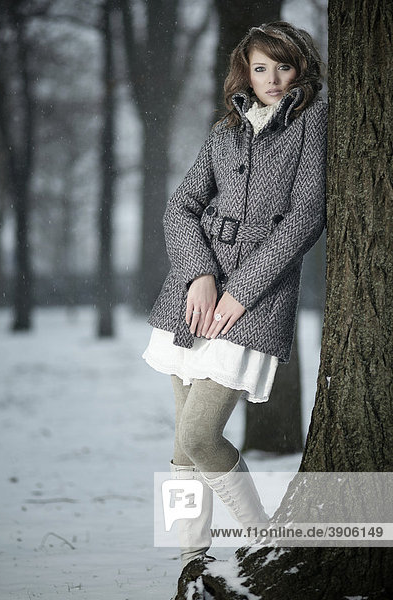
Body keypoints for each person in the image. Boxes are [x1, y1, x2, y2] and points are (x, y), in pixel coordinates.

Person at [141, 20, 327, 586]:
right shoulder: (225, 129)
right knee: (182, 449)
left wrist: (241, 290)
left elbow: (305, 217)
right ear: (244, 71)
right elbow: (181, 207)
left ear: (302, 68)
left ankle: (263, 538)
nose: (272, 79)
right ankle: (190, 561)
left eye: (284, 66)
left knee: (198, 439)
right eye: (260, 67)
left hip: (252, 305)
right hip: (190, 300)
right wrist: (197, 274)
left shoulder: (314, 122)